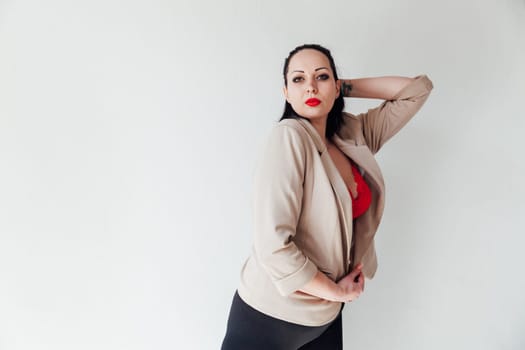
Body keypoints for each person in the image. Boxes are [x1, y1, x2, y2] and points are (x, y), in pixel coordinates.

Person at [221, 44, 433, 349]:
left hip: (324, 316)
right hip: (268, 314)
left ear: (336, 87)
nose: (309, 86)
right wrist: (336, 292)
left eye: (320, 77)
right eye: (298, 79)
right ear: (286, 92)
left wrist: (340, 87)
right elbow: (272, 247)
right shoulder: (289, 137)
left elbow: (416, 91)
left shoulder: (351, 135)